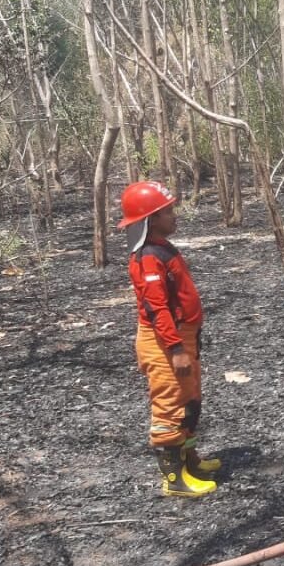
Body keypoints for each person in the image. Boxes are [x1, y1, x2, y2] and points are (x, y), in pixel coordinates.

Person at [117, 181, 221, 498]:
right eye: (167, 212)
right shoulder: (147, 257)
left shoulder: (162, 249)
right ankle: (175, 480)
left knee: (190, 404)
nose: (174, 217)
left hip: (182, 337)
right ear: (150, 219)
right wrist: (175, 348)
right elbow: (155, 306)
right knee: (170, 408)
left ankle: (190, 461)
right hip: (165, 343)